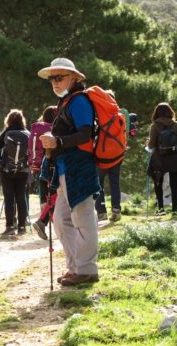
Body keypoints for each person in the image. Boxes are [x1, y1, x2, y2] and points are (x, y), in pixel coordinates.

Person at [37, 58, 100, 287]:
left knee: (82, 219)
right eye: (52, 78)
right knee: (62, 219)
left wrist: (58, 141)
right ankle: (76, 268)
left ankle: (87, 269)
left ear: (74, 78)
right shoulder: (67, 101)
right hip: (66, 169)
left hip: (79, 168)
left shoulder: (79, 101)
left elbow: (85, 135)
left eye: (59, 77)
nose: (54, 82)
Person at [0, 109, 31, 236]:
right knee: (21, 196)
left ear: (8, 120)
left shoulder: (7, 132)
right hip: (23, 169)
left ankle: (10, 226)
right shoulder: (27, 133)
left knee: (9, 197)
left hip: (7, 169)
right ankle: (22, 226)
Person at [146, 102, 177, 216]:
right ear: (170, 112)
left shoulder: (155, 126)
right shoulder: (176, 125)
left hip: (159, 158)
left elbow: (151, 145)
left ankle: (161, 209)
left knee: (158, 182)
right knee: (174, 184)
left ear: (156, 113)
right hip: (175, 158)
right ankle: (174, 210)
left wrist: (148, 143)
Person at [94, 90, 124, 223]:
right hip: (117, 155)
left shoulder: (98, 116)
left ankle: (101, 212)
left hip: (101, 156)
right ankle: (116, 211)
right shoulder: (120, 115)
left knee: (98, 184)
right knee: (115, 183)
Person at [29, 106, 58, 240]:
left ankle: (45, 222)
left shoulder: (36, 129)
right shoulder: (54, 129)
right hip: (52, 166)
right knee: (55, 195)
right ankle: (43, 222)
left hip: (38, 167)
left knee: (50, 196)